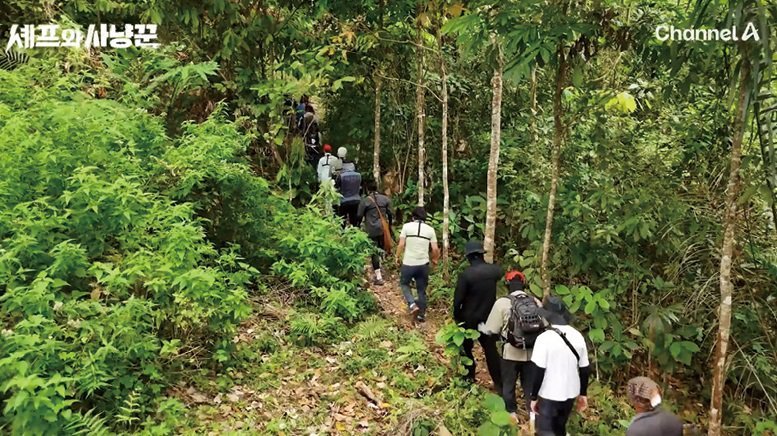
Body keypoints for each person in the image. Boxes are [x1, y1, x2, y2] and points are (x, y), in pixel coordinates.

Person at [480, 270, 543, 421]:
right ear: (524, 284)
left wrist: (481, 327)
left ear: (507, 285)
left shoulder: (502, 303)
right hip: (532, 353)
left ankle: (511, 414)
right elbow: (544, 326)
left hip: (511, 352)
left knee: (508, 384)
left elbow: (491, 329)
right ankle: (533, 417)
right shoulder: (535, 302)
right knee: (529, 386)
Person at [529, 296, 590, 436]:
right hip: (570, 392)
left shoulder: (544, 339)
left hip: (549, 393)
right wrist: (583, 393)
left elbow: (538, 371)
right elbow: (585, 368)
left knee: (545, 431)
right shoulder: (577, 336)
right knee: (560, 428)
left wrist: (533, 397)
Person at [453, 240, 503, 390]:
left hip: (469, 319)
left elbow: (458, 300)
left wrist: (456, 316)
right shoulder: (495, 271)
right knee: (490, 351)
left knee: (466, 348)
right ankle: (499, 383)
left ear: (469, 257)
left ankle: (469, 377)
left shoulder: (466, 275)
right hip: (488, 319)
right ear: (481, 254)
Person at [396, 207, 439, 322]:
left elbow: (401, 244)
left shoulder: (406, 227)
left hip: (408, 263)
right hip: (423, 264)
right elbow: (435, 249)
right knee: (421, 290)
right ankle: (421, 315)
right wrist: (435, 260)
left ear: (413, 217)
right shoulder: (430, 230)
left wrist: (397, 256)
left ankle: (412, 304)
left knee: (404, 284)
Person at [357, 180, 392, 285]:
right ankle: (382, 268)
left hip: (371, 229)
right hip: (383, 228)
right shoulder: (385, 199)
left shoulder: (365, 201)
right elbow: (390, 214)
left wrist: (358, 226)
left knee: (374, 251)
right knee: (381, 248)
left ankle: (378, 276)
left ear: (367, 189)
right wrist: (389, 226)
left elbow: (359, 215)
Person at [335, 160, 362, 227]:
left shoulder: (341, 176)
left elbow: (336, 187)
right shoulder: (359, 175)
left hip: (344, 201)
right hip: (356, 200)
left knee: (342, 220)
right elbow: (361, 187)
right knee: (354, 220)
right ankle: (354, 234)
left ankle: (342, 235)